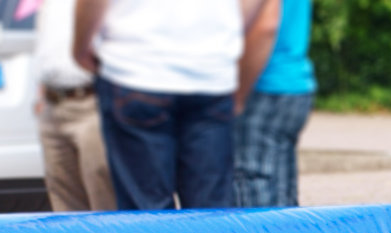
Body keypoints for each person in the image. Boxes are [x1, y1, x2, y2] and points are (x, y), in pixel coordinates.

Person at [72, 0, 269, 210]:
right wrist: (223, 35)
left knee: (145, 211)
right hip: (210, 72)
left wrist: (80, 47)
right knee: (210, 211)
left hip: (137, 68)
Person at [32, 0, 115, 211]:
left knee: (105, 203)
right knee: (65, 207)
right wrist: (42, 91)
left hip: (92, 99)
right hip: (54, 103)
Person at [234, 0, 315, 207]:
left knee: (253, 198)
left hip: (262, 82)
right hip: (293, 80)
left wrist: (239, 92)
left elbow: (266, 26)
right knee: (282, 201)